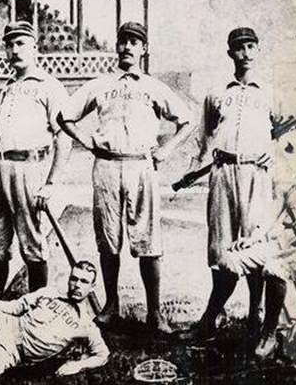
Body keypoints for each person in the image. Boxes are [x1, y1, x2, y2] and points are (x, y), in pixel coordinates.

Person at [58, 22, 194, 332]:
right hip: (106, 165)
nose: (128, 47)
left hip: (141, 166)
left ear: (144, 48)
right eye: (123, 41)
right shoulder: (100, 84)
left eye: (135, 42)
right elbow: (65, 115)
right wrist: (86, 140)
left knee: (148, 241)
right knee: (108, 240)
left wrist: (166, 150)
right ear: (117, 46)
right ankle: (111, 305)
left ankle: (155, 312)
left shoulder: (153, 87)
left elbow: (186, 120)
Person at [181, 27, 283, 341]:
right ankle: (212, 319)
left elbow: (282, 136)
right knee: (221, 247)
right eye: (239, 47)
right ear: (230, 53)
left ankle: (255, 316)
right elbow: (205, 137)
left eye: (251, 46)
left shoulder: (269, 93)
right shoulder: (217, 93)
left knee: (253, 243)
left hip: (256, 173)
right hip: (223, 171)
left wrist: (272, 153)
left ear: (258, 50)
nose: (246, 53)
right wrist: (193, 169)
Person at [215, 120, 296, 357]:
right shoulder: (293, 178)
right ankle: (229, 320)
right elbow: (274, 211)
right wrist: (254, 238)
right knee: (230, 259)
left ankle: (269, 334)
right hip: (287, 246)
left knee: (274, 269)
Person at [0, 22, 72, 294]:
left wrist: (51, 183)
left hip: (30, 168)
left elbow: (64, 137)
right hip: (0, 167)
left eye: (21, 43)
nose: (15, 50)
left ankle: (37, 307)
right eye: (9, 45)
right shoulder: (7, 87)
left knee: (32, 240)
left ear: (35, 47)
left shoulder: (49, 86)